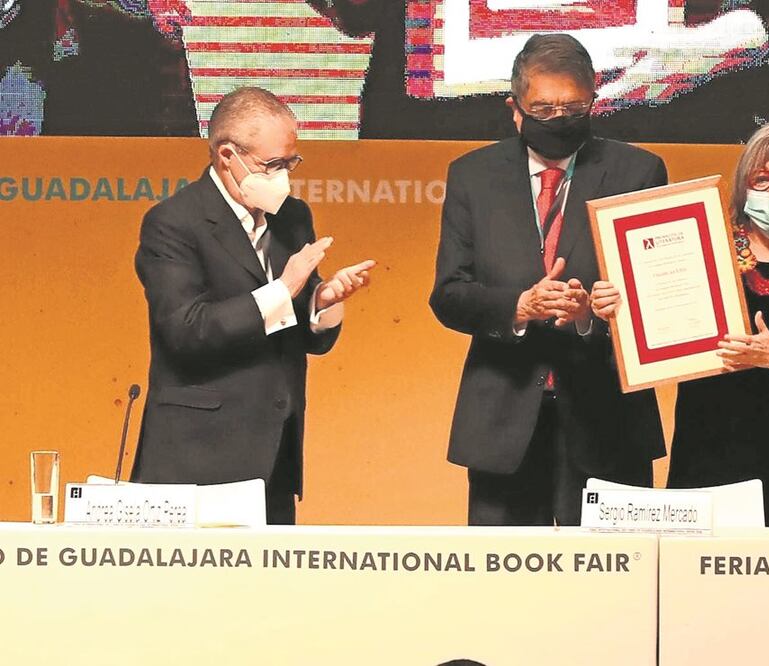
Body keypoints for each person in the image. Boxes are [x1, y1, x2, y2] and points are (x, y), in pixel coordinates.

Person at [430, 33, 667, 526]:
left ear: (594, 101)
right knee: (507, 591)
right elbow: (450, 294)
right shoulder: (473, 176)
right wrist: (519, 306)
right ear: (514, 108)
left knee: (614, 591)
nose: (559, 119)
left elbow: (656, 301)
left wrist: (588, 318)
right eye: (544, 109)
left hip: (608, 418)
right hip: (502, 419)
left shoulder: (639, 171)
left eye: (573, 108)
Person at [593, 122, 769, 527]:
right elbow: (650, 337)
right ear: (743, 191)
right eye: (761, 180)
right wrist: (619, 311)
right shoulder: (702, 250)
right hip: (710, 452)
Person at [131, 86, 375, 524]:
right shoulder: (172, 223)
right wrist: (285, 288)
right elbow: (187, 330)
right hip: (196, 461)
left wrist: (321, 302)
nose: (284, 176)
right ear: (227, 156)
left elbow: (299, 333)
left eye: (291, 162)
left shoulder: (292, 217)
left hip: (274, 457)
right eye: (273, 165)